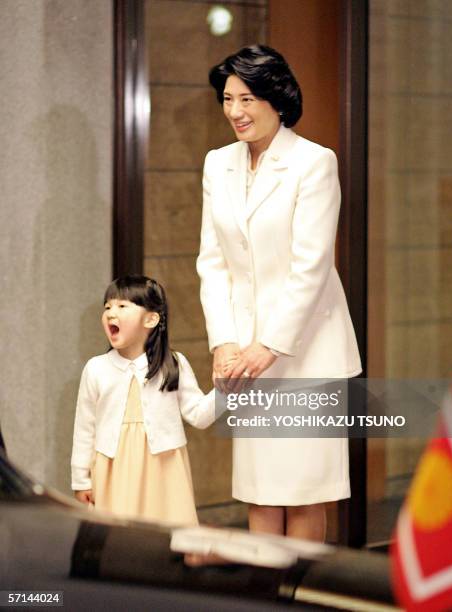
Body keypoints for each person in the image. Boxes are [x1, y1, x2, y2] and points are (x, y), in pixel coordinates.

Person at [197, 45, 362, 540]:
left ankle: (303, 595)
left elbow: (311, 267)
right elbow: (213, 261)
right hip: (245, 356)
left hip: (307, 352)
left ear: (276, 98)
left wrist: (268, 346)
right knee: (261, 490)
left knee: (305, 492)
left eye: (247, 98)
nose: (235, 112)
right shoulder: (217, 164)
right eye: (228, 99)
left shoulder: (314, 162)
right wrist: (224, 341)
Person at [71, 274, 216, 525]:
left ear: (151, 318)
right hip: (113, 467)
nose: (111, 312)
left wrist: (229, 390)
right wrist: (81, 480)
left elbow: (199, 414)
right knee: (120, 539)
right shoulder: (96, 368)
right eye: (107, 307)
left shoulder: (173, 364)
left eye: (122, 306)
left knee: (168, 537)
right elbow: (85, 428)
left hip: (164, 467)